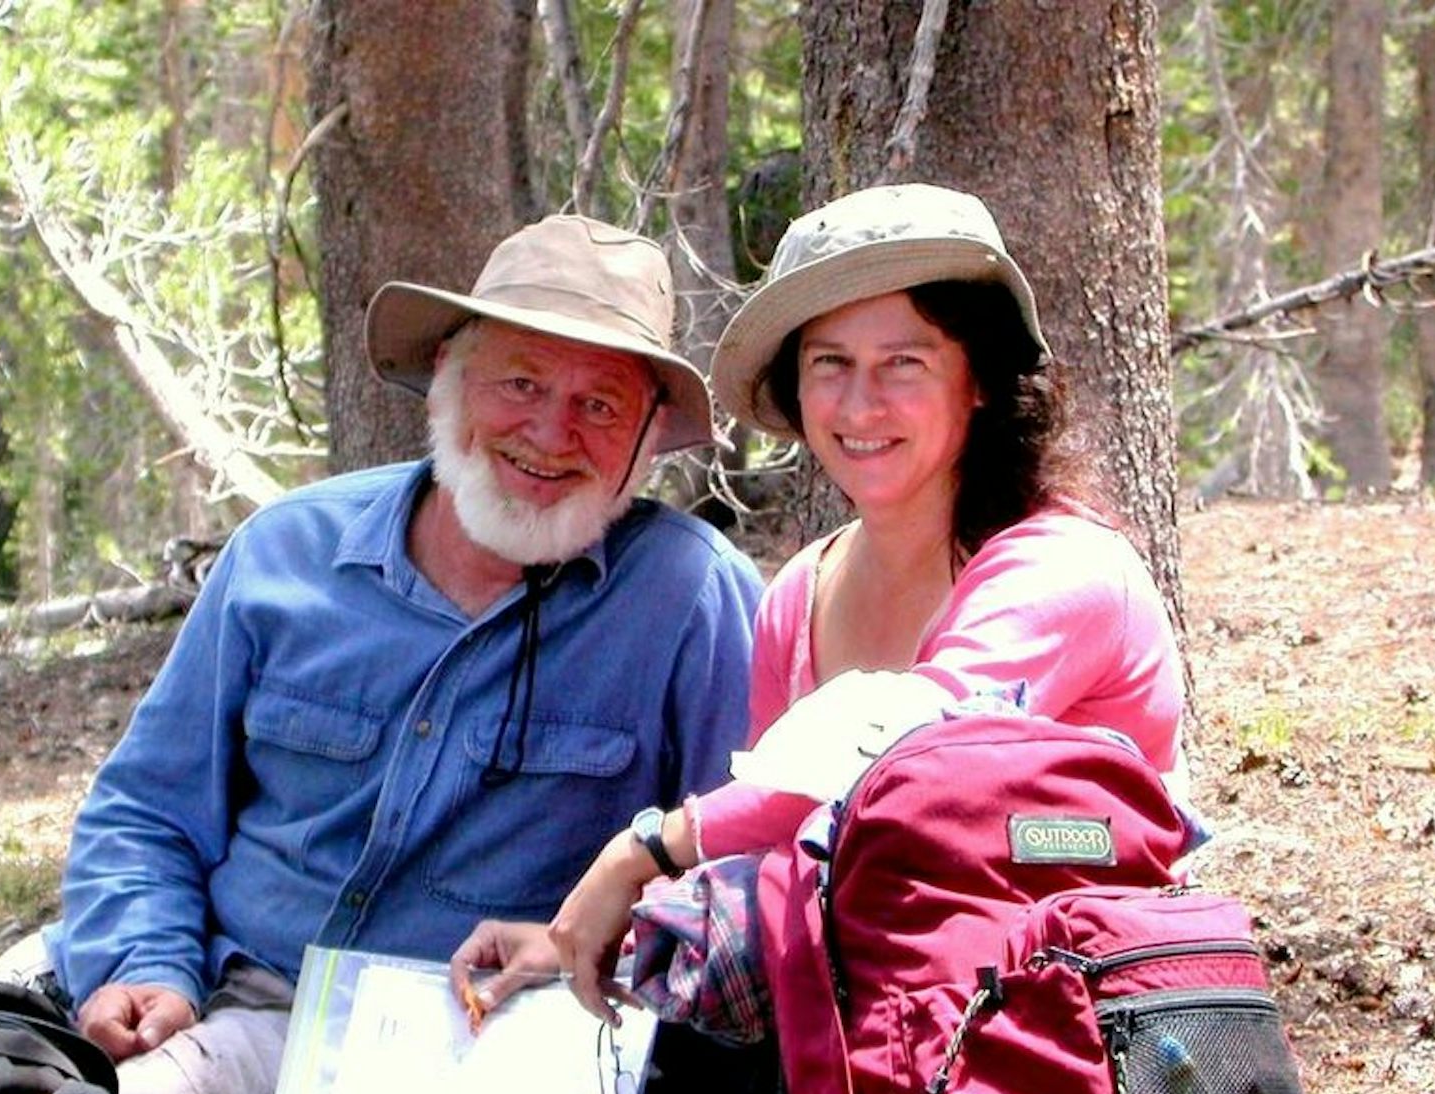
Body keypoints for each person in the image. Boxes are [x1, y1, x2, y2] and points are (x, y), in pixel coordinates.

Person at [0, 214, 763, 1094]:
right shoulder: (286, 554)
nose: (551, 434)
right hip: (197, 975)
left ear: (649, 438)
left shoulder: (691, 600)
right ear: (447, 374)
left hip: (453, 1044)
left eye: (600, 405)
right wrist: (142, 962)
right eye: (519, 383)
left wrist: (590, 956)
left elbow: (737, 876)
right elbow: (148, 811)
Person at [453, 182, 1187, 1025]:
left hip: (1072, 1057)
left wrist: (641, 850)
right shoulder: (800, 594)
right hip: (879, 1056)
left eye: (903, 364)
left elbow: (903, 760)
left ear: (978, 380)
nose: (860, 404)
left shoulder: (1063, 571)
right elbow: (776, 853)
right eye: (829, 363)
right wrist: (579, 940)